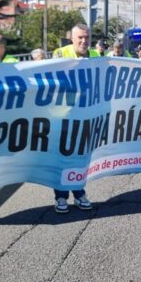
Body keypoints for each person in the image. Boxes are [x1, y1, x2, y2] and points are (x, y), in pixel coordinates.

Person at [53, 23, 98, 213]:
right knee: (62, 158)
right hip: (63, 117)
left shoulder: (96, 56)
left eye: (86, 37)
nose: (83, 41)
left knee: (80, 158)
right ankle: (61, 196)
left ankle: (79, 193)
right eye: (80, 37)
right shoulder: (60, 54)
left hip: (87, 117)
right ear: (72, 38)